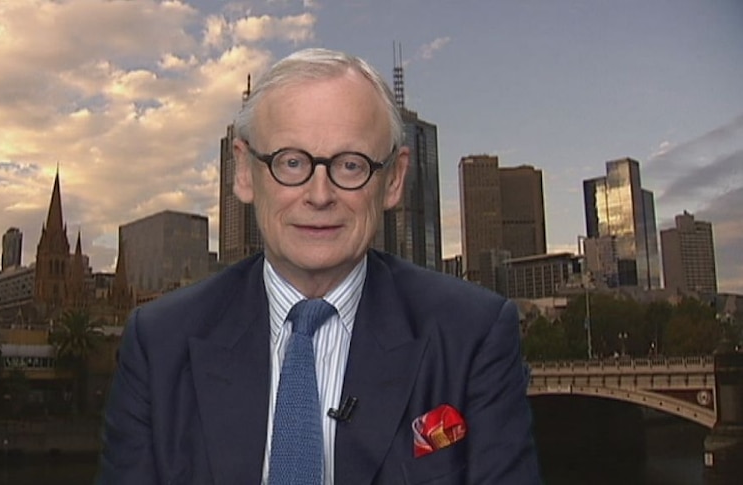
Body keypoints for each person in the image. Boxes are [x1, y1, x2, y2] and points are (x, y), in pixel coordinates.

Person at [96, 48, 540, 484]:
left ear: (394, 180)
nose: (319, 194)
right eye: (291, 162)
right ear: (245, 173)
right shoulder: (159, 342)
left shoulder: (474, 334)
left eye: (351, 165)